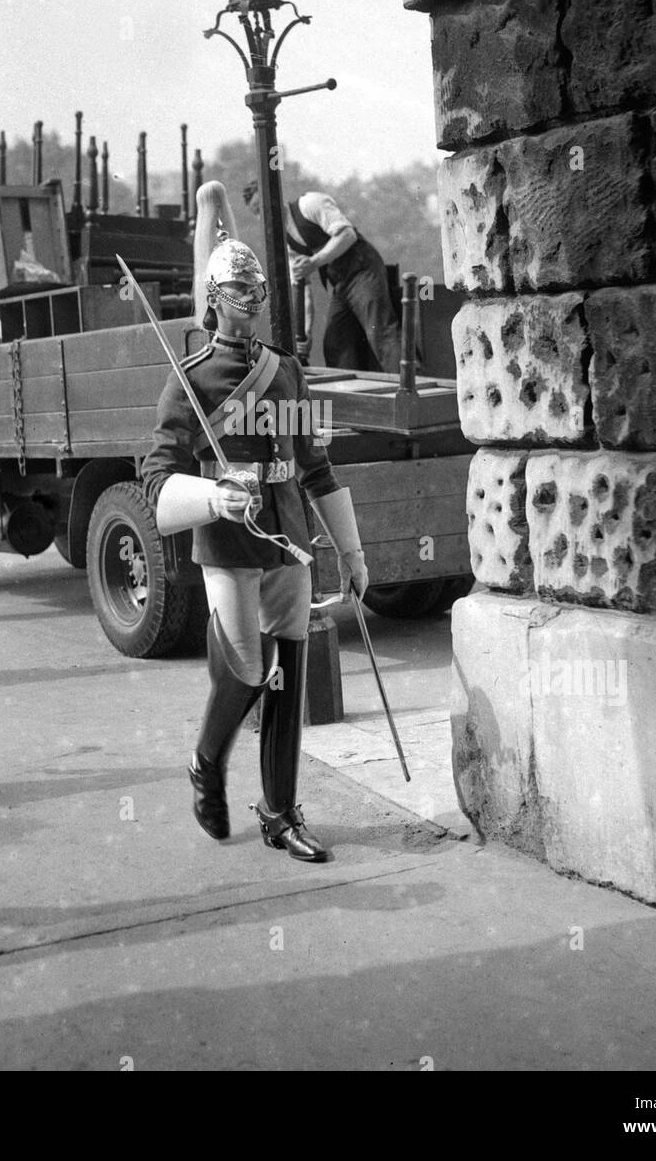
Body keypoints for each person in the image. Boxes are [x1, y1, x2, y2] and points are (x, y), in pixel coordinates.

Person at [141, 181, 369, 863]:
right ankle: (207, 762)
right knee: (245, 670)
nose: (254, 299)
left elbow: (316, 467)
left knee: (288, 674)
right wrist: (213, 497)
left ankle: (280, 812)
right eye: (239, 290)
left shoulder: (288, 373)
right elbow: (155, 479)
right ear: (214, 299)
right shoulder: (192, 380)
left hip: (289, 537)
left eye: (260, 289)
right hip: (228, 541)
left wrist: (352, 555)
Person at [243, 179, 401, 373]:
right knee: (335, 343)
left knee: (380, 331)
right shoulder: (287, 242)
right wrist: (305, 337)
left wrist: (315, 261)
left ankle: (409, 387)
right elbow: (303, 288)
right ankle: (348, 397)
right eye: (257, 211)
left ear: (277, 199)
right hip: (340, 284)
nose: (263, 215)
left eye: (263, 206)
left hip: (363, 270)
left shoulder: (310, 204)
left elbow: (347, 235)